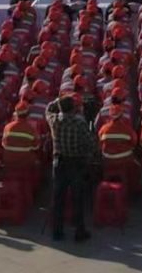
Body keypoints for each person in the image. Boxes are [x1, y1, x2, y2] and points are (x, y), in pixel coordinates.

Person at [48, 95, 95, 241]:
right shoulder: (80, 123)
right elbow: (89, 143)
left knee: (58, 198)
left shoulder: (54, 121)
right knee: (77, 198)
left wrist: (56, 101)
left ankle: (57, 231)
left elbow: (48, 109)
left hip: (59, 162)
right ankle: (79, 231)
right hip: (76, 163)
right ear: (74, 108)